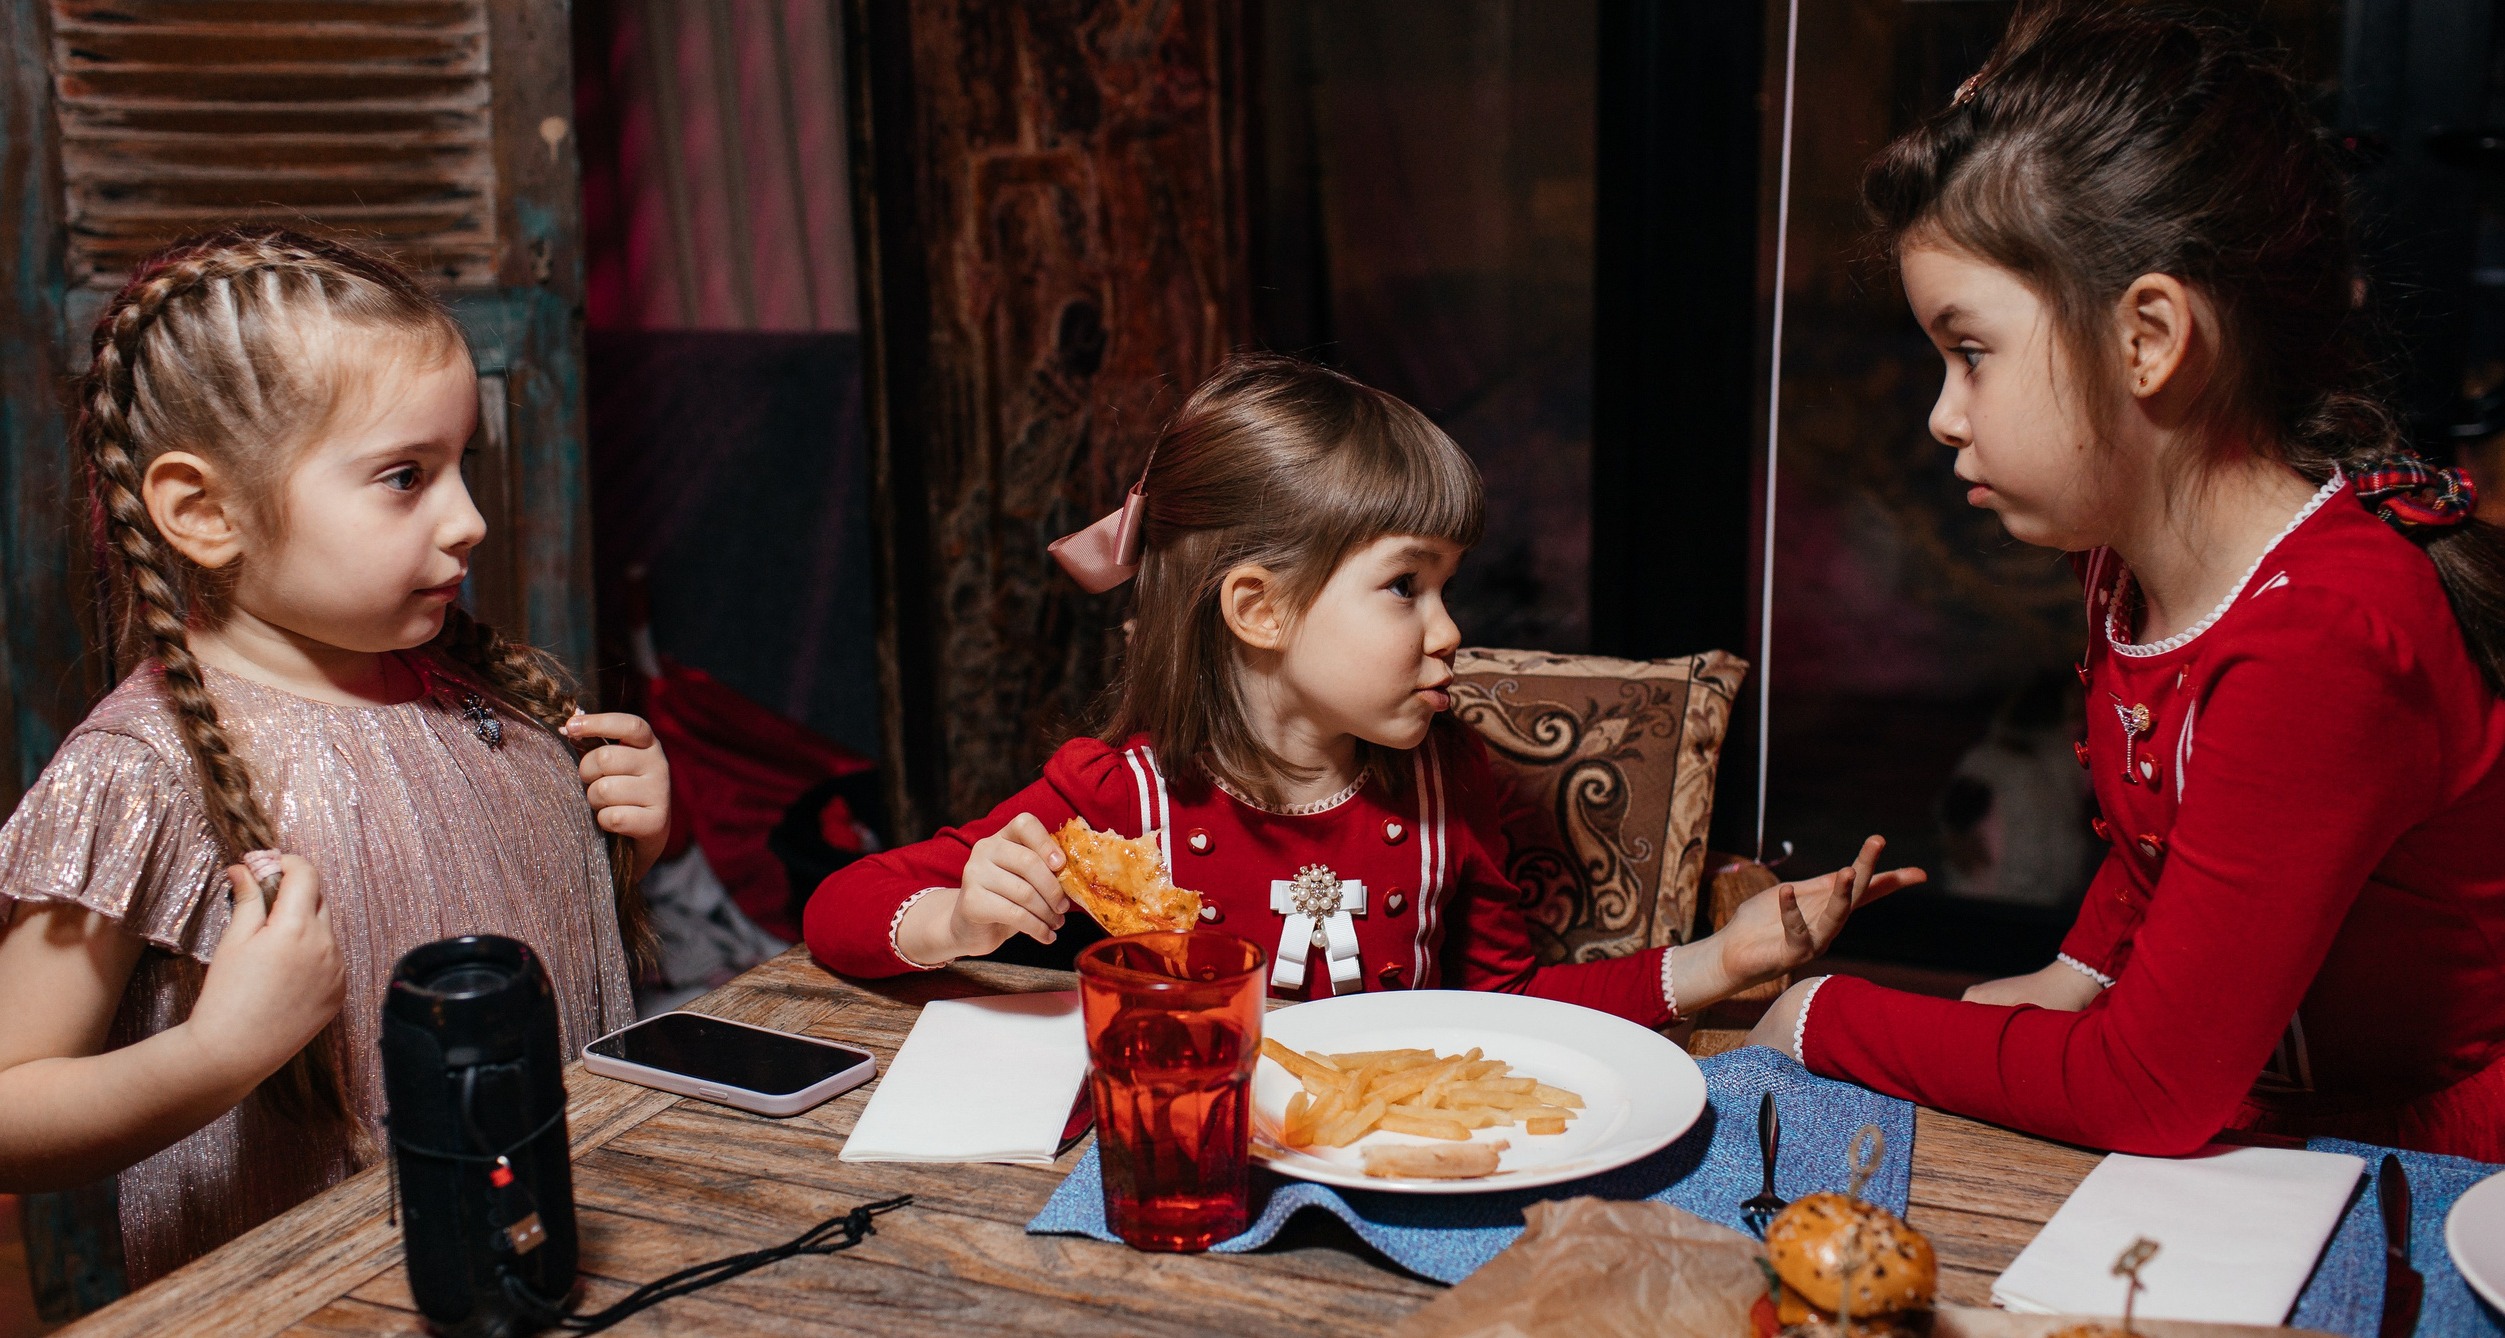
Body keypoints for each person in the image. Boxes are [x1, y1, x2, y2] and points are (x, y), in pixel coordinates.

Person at [1748, 2, 2505, 1162]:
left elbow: (2148, 1092)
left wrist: (1824, 1016)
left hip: (2425, 1159)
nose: (1943, 417)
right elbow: (2172, 834)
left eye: (1971, 353)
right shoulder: (2124, 565)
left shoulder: (2322, 640)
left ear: (2148, 337)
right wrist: (2078, 969)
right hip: (2267, 1112)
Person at [0, 229, 670, 1282]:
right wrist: (214, 1054)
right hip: (298, 1316)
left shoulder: (486, 706)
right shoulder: (138, 773)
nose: (468, 520)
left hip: (533, 1266)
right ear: (205, 512)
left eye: (462, 465)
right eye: (404, 476)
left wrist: (625, 844)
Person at [806, 354, 1919, 1022]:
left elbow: (1507, 1010)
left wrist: (1724, 960)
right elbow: (834, 913)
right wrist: (957, 919)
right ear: (1259, 610)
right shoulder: (1117, 797)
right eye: (1404, 587)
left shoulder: (1445, 779)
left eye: (1447, 588)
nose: (1450, 632)